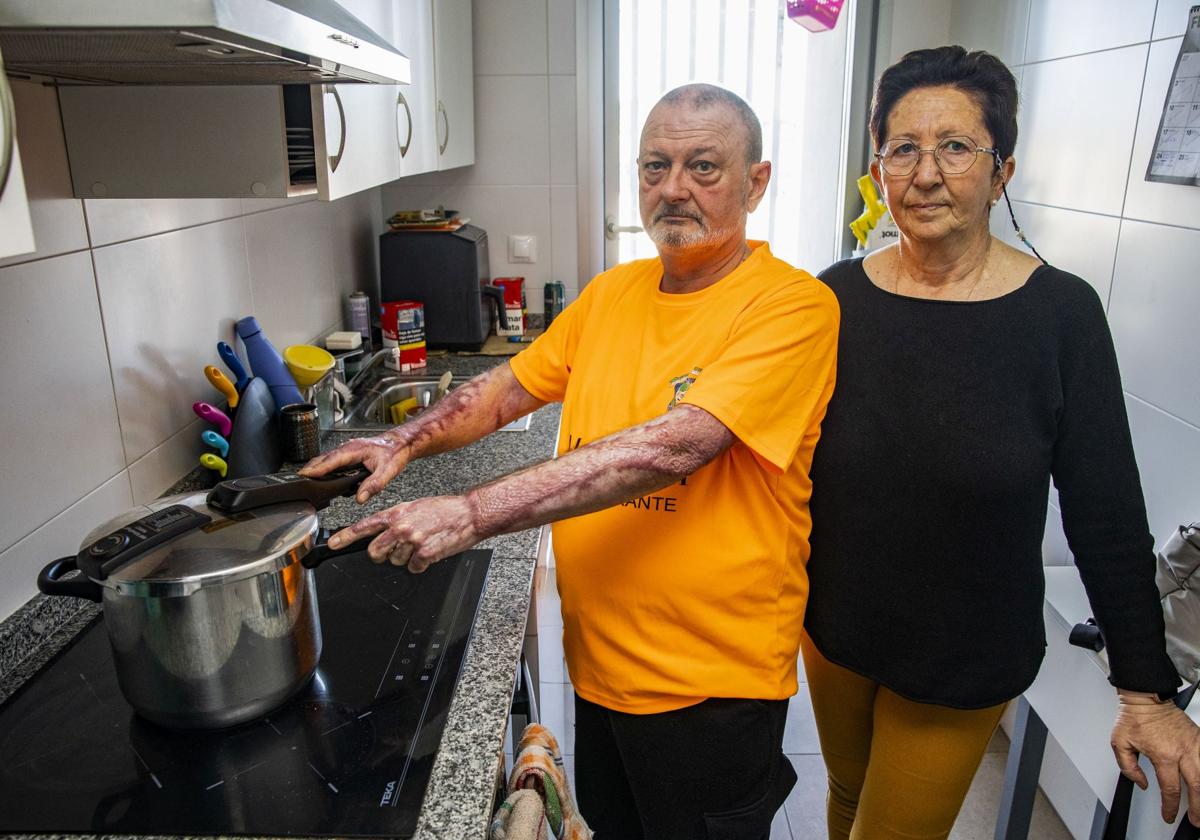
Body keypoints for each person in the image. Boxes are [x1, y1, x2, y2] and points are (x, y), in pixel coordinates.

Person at [301, 83, 839, 838]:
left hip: (710, 688)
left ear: (756, 180)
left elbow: (673, 446)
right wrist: (401, 439)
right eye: (655, 166)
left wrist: (469, 511)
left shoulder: (793, 307)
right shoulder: (613, 293)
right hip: (601, 664)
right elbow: (503, 391)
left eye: (703, 167)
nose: (673, 188)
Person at [802, 45, 1200, 840]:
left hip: (963, 653)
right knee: (847, 796)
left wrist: (1145, 693)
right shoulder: (835, 296)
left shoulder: (1060, 316)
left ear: (1002, 169)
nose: (924, 173)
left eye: (955, 147)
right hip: (835, 632)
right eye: (902, 148)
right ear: (878, 166)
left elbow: (1107, 513)